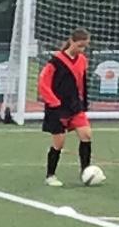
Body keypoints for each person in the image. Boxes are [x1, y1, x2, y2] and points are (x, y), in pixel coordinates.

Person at [37, 29, 94, 184]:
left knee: (86, 134)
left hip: (75, 106)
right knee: (59, 143)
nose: (82, 49)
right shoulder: (55, 61)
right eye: (80, 45)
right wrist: (53, 102)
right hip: (58, 107)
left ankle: (85, 172)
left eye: (85, 46)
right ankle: (50, 175)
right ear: (71, 41)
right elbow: (43, 83)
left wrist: (83, 102)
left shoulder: (82, 60)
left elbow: (81, 83)